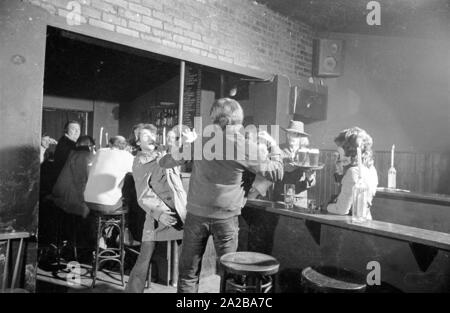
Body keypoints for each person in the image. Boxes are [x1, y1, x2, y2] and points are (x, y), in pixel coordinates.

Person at [159, 98, 284, 293]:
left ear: (214, 118)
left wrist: (183, 145)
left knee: (188, 275)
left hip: (195, 217)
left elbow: (165, 162)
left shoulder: (201, 141)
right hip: (226, 218)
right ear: (238, 119)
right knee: (230, 275)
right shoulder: (244, 146)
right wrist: (274, 146)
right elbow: (276, 172)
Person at [125, 124, 187, 293]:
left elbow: (178, 161)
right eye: (145, 136)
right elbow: (143, 194)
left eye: (152, 134)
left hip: (179, 213)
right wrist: (160, 214)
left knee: (187, 262)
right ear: (137, 142)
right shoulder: (140, 161)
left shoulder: (162, 154)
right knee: (144, 260)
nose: (151, 138)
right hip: (157, 217)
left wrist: (187, 143)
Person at [327, 127, 378, 219]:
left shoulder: (353, 172)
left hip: (353, 223)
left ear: (349, 149)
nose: (338, 150)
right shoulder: (371, 168)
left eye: (339, 147)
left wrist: (326, 207)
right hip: (367, 220)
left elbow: (342, 210)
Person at [84, 135, 134, 213]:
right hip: (108, 204)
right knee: (129, 199)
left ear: (110, 144)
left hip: (87, 200)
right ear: (126, 145)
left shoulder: (100, 151)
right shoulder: (128, 156)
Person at [52, 135, 96, 218]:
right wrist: (83, 204)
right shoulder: (84, 156)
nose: (94, 149)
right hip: (72, 201)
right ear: (89, 145)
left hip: (64, 197)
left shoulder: (74, 154)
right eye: (93, 146)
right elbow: (80, 180)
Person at [273, 120, 316, 202]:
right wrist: (283, 168)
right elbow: (271, 171)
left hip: (299, 199)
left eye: (295, 135)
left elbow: (313, 181)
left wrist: (310, 178)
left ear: (301, 137)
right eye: (289, 133)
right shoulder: (278, 149)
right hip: (280, 197)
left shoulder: (307, 153)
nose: (291, 137)